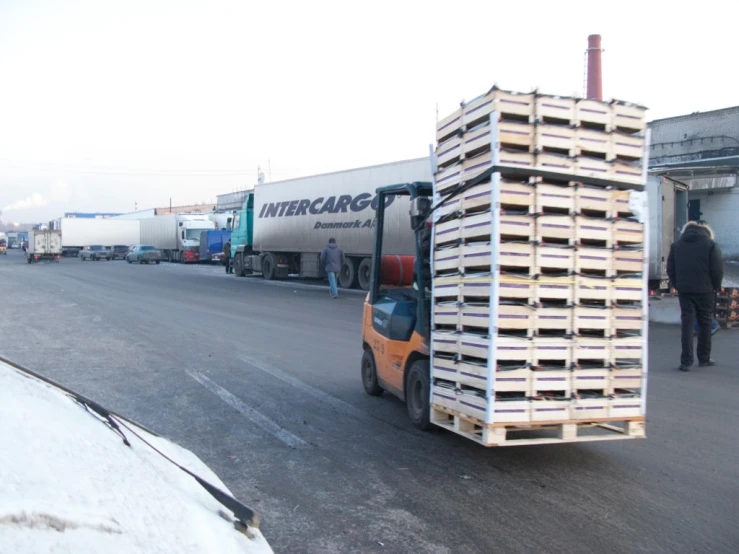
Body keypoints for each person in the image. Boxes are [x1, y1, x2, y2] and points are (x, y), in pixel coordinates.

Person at [667, 220, 723, 371]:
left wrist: (677, 284)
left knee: (687, 324)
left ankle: (686, 361)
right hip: (705, 290)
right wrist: (715, 286)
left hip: (685, 290)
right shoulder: (711, 245)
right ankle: (704, 358)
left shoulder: (677, 245)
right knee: (705, 324)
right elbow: (717, 269)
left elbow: (670, 268)